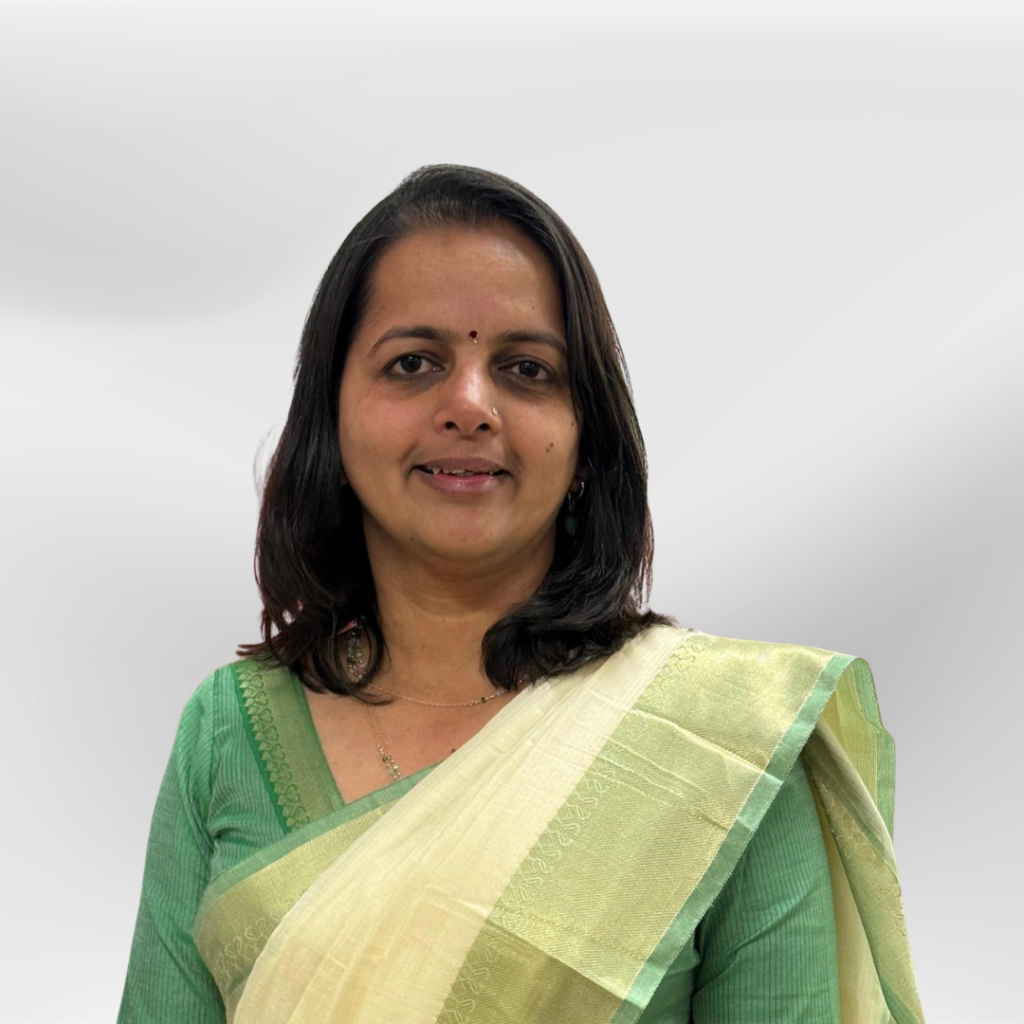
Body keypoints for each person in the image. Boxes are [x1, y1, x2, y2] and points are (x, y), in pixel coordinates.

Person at [116, 164, 926, 1023]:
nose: (470, 405)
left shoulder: (727, 742)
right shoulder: (226, 733)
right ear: (333, 417)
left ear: (584, 440)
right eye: (413, 363)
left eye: (527, 370)